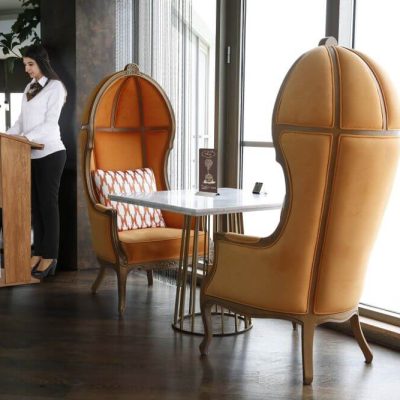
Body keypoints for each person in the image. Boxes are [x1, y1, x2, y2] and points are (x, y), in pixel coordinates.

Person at [6, 44, 66, 279]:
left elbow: (51, 123)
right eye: (25, 65)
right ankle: (38, 251)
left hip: (51, 152)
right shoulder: (28, 88)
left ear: (42, 63)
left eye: (30, 64)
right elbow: (21, 121)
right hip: (30, 154)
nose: (27, 69)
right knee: (36, 208)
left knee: (49, 206)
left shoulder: (56, 88)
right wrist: (9, 136)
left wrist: (25, 138)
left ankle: (50, 256)